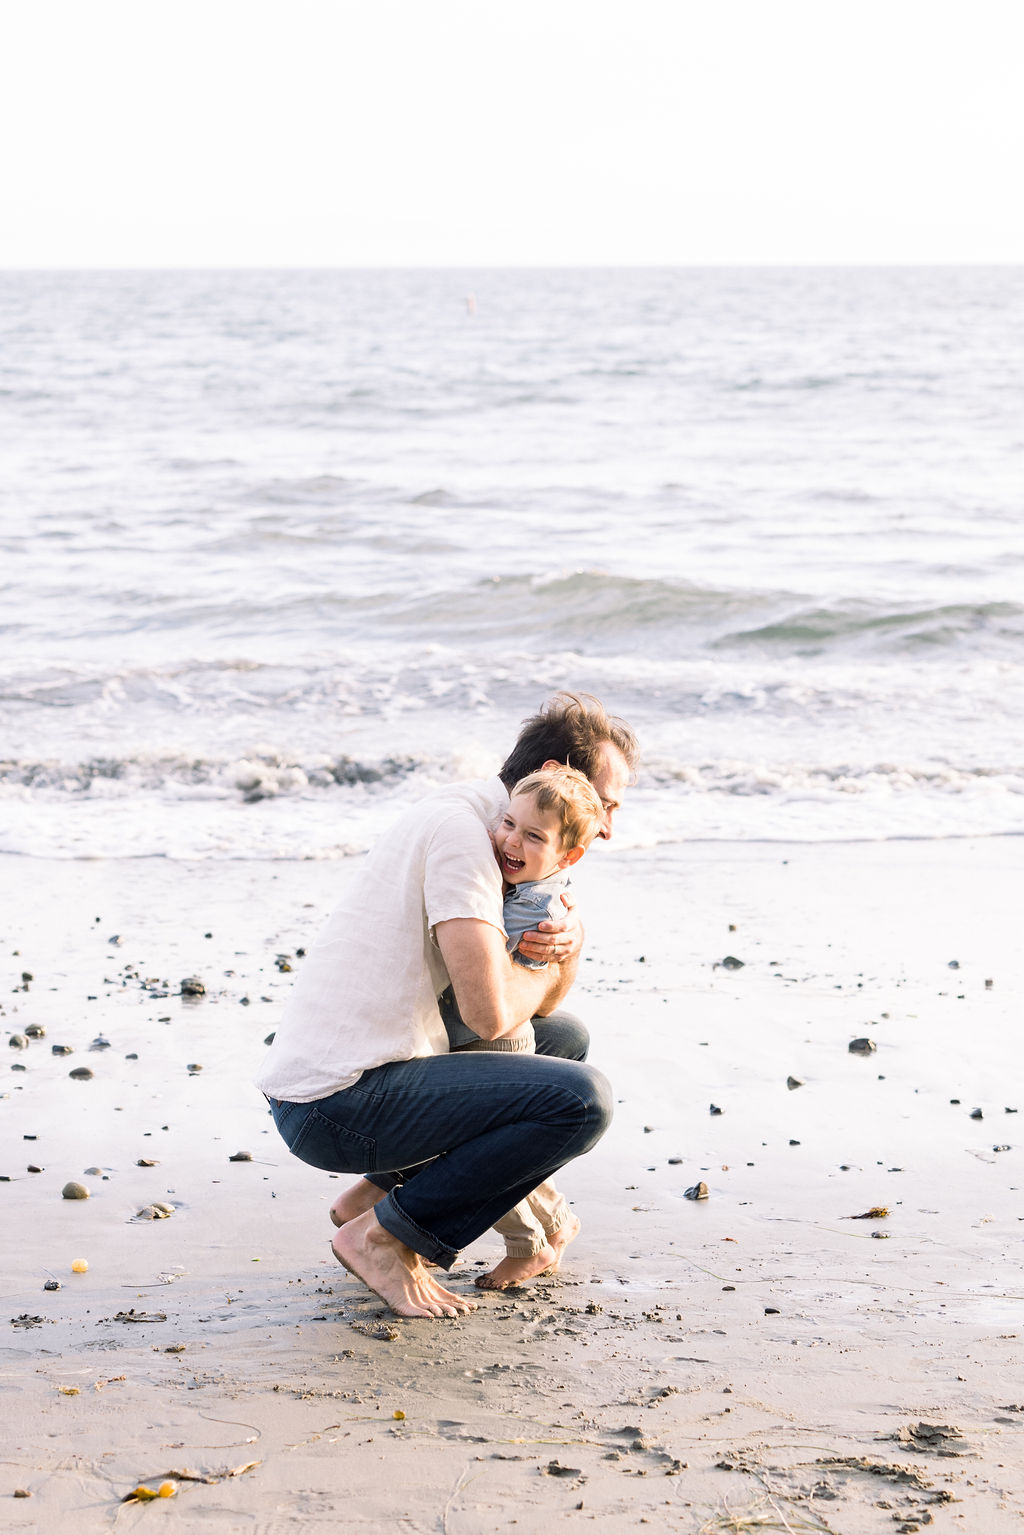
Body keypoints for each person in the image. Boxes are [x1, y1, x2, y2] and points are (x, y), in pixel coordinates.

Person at [256, 693, 636, 1319]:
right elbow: (491, 1016)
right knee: (581, 1100)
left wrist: (558, 957)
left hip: (361, 1073)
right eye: (607, 805)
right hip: (333, 1105)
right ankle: (386, 1235)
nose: (611, 827)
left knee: (562, 1040)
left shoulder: (490, 818)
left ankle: (389, 1191)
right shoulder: (467, 838)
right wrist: (561, 959)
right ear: (558, 782)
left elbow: (532, 1013)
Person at [442, 765, 605, 1289]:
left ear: (568, 856)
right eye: (508, 823)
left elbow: (489, 977)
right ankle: (556, 1222)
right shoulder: (536, 882)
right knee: (496, 1148)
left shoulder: (539, 904)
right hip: (499, 1032)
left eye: (533, 836)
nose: (510, 840)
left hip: (496, 1036)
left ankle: (527, 1245)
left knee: (481, 1158)